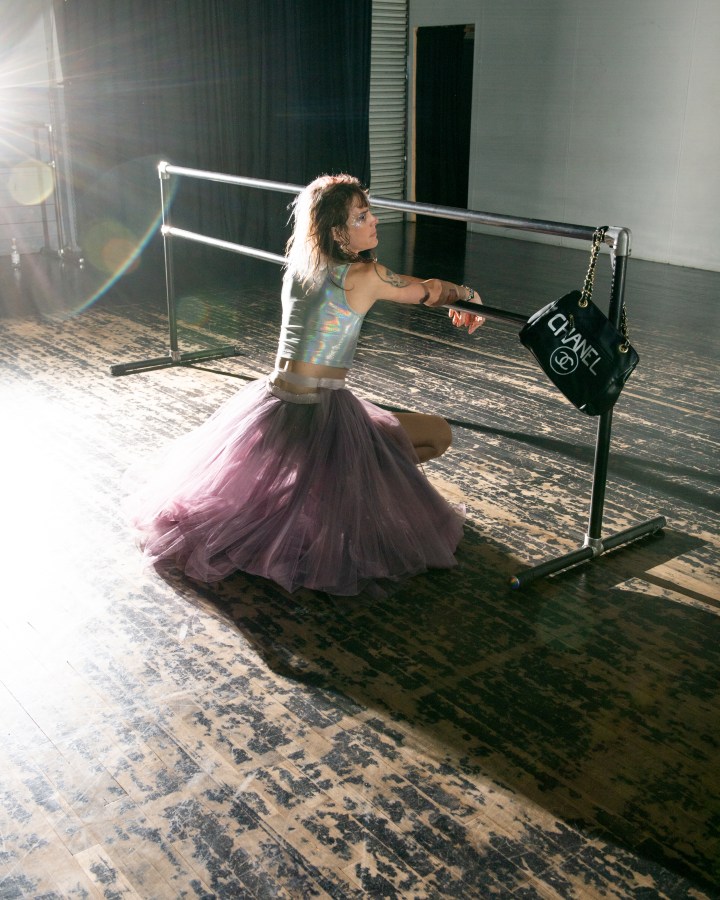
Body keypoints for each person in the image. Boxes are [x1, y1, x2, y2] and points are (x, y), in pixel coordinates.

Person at [124, 174, 484, 596]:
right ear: (336, 230)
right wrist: (468, 295)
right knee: (437, 434)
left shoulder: (301, 266)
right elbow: (429, 291)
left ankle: (322, 497)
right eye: (362, 216)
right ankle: (341, 505)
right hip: (322, 412)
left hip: (273, 406)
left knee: (370, 448)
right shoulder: (363, 274)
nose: (374, 222)